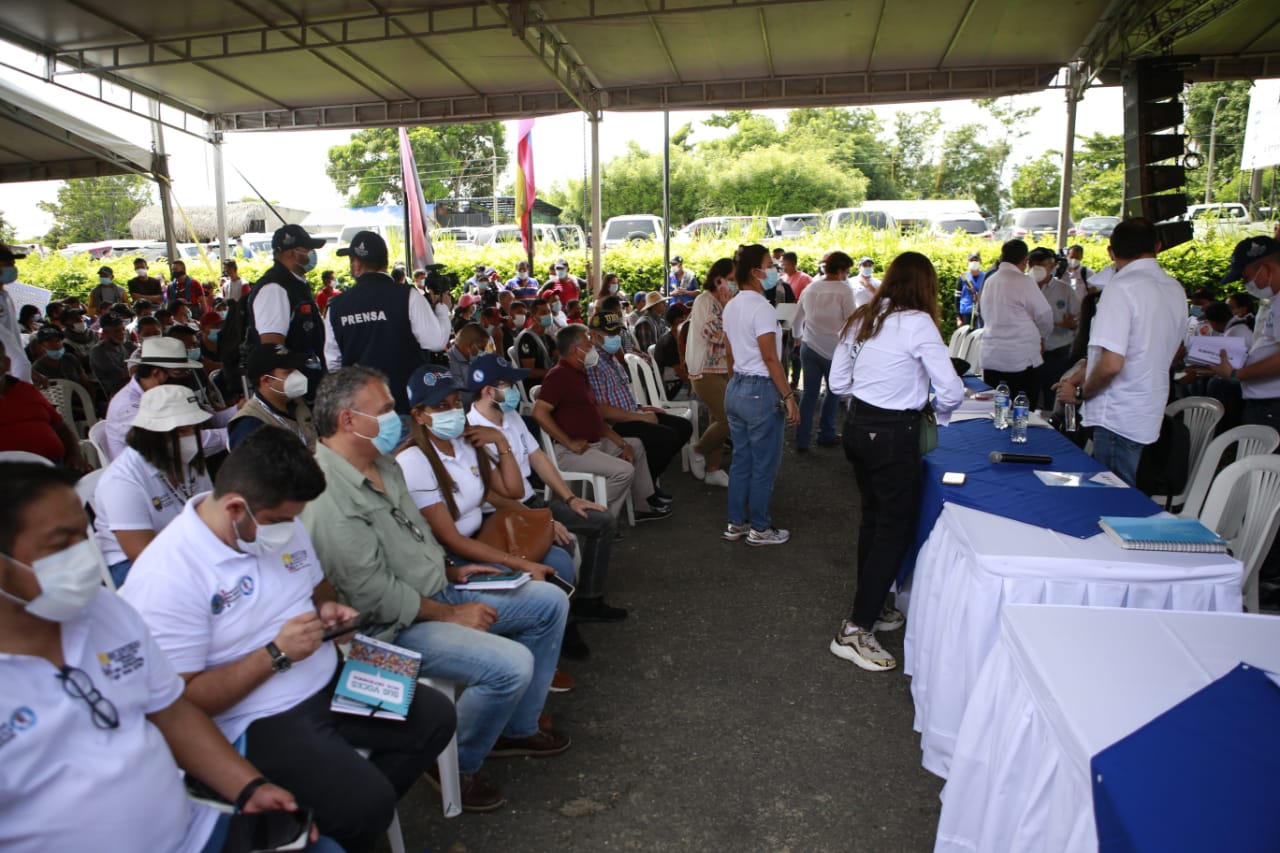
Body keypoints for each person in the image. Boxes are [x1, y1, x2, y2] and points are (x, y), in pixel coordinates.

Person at [122, 428, 456, 851]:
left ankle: (319, 820)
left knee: (437, 717)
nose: (292, 528)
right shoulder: (167, 576)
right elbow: (181, 703)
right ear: (236, 508)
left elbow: (319, 588)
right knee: (369, 805)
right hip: (259, 717)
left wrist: (330, 613)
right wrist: (276, 654)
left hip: (331, 672)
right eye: (281, 520)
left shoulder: (279, 522)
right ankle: (334, 821)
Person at [0, 462, 320, 853]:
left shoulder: (104, 610)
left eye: (82, 535)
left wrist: (248, 787)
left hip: (195, 831)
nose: (83, 555)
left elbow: (170, 711)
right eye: (59, 544)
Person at [301, 366, 572, 813]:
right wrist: (449, 614)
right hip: (388, 628)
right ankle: (453, 760)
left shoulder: (381, 463)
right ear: (349, 420)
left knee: (549, 602)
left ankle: (517, 729)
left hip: (438, 590)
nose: (396, 418)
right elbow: (370, 595)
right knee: (511, 665)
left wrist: (451, 570)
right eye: (385, 410)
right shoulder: (327, 493)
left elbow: (419, 536)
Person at [827, 251, 965, 672]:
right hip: (892, 436)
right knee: (892, 529)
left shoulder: (864, 317)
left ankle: (869, 605)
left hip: (857, 429)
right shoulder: (918, 323)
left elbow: (837, 383)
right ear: (926, 286)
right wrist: (934, 413)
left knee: (874, 521)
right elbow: (952, 390)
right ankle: (855, 628)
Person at [466, 354, 623, 622]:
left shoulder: (511, 416)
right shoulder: (473, 432)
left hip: (532, 504)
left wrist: (570, 497)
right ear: (488, 390)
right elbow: (499, 496)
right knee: (559, 553)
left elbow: (539, 458)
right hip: (503, 515)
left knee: (602, 521)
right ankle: (565, 620)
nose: (514, 391)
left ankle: (590, 599)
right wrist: (544, 522)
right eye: (507, 385)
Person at [395, 366, 577, 590]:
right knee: (542, 590)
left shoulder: (464, 443)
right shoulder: (414, 461)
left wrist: (501, 442)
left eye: (456, 402)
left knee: (560, 560)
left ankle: (567, 620)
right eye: (441, 406)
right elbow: (452, 540)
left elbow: (513, 491)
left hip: (484, 535)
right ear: (419, 415)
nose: (453, 410)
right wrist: (519, 563)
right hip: (452, 558)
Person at [1053, 218, 1186, 487]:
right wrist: (1082, 373)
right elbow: (1169, 351)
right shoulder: (1175, 288)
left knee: (1112, 502)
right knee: (1129, 497)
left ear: (1110, 252)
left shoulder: (1120, 288)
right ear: (1157, 247)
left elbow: (1112, 363)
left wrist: (1080, 393)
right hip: (1147, 411)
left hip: (1117, 415)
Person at [533, 324, 670, 522]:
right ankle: (598, 519)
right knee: (624, 471)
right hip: (571, 451)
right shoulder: (559, 376)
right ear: (575, 350)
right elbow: (539, 412)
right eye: (588, 345)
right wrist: (569, 442)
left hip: (594, 443)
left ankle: (643, 505)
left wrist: (622, 444)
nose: (592, 349)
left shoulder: (580, 373)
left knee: (636, 445)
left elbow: (596, 418)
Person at [92, 385, 211, 586]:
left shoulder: (185, 459)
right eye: (182, 431)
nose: (191, 437)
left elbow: (210, 512)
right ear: (154, 434)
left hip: (184, 549)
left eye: (193, 428)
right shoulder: (122, 481)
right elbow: (142, 555)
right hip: (130, 564)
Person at [323, 230, 451, 415]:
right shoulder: (407, 295)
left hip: (363, 414)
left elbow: (334, 365)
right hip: (408, 406)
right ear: (385, 263)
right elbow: (436, 341)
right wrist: (441, 308)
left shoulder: (336, 307)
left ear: (357, 264)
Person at [720, 244, 798, 546]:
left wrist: (735, 384)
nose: (773, 269)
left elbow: (729, 353)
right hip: (759, 391)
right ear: (755, 272)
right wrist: (788, 395)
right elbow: (770, 358)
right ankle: (761, 528)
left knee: (742, 461)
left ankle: (736, 523)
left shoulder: (732, 305)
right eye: (769, 264)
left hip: (737, 387)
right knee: (764, 464)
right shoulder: (762, 308)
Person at [586, 311, 693, 494]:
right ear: (595, 336)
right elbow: (601, 410)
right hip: (614, 424)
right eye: (609, 334)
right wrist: (638, 416)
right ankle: (644, 488)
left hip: (630, 414)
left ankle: (647, 482)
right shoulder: (593, 364)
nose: (615, 338)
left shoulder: (611, 360)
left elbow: (619, 396)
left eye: (616, 333)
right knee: (666, 437)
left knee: (683, 427)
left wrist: (641, 408)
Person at [1199, 235, 1280, 431]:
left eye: (1246, 277)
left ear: (1267, 269)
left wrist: (1237, 373)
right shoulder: (1272, 301)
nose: (1245, 285)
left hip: (1272, 406)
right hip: (1264, 402)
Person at [242, 224, 329, 391]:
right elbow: (272, 351)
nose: (313, 255)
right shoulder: (274, 289)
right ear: (291, 253)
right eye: (308, 249)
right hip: (291, 390)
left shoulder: (295, 284)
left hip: (308, 383)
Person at [793, 250, 856, 452]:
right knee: (834, 391)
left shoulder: (810, 288)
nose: (847, 274)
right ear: (840, 270)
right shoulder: (843, 290)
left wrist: (797, 338)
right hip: (834, 350)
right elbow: (852, 322)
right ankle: (826, 433)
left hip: (809, 346)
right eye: (847, 270)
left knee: (809, 394)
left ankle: (802, 439)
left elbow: (796, 320)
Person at [979, 238, 1053, 401]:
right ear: (1025, 261)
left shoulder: (990, 281)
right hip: (1020, 358)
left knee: (996, 409)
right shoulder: (1025, 281)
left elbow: (984, 314)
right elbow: (1044, 315)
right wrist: (1043, 336)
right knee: (1023, 410)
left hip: (992, 356)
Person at [0, 340, 88, 469]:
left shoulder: (27, 390)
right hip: (10, 479)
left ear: (7, 364)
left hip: (56, 467)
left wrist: (75, 455)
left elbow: (62, 428)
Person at [685, 258, 734, 487]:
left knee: (718, 418)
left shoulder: (725, 302)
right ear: (718, 279)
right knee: (729, 416)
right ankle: (697, 450)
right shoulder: (705, 300)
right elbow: (713, 333)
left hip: (722, 367)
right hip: (704, 369)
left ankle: (713, 469)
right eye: (731, 279)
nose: (733, 285)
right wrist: (726, 308)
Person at [228, 344, 317, 450]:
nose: (297, 375)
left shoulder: (296, 402)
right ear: (266, 381)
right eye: (288, 372)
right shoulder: (250, 426)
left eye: (295, 369)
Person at [1028, 246, 1081, 408]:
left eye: (1042, 266)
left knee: (1053, 400)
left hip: (1056, 354)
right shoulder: (1022, 287)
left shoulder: (1064, 290)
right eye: (1034, 266)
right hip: (1028, 354)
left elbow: (1077, 319)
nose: (1037, 270)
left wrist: (1071, 325)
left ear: (1052, 267)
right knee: (1028, 398)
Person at [515, 298, 558, 391]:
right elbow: (530, 372)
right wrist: (554, 373)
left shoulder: (547, 336)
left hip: (550, 380)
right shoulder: (526, 338)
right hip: (536, 387)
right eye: (543, 312)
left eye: (549, 311)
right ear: (533, 317)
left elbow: (559, 356)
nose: (548, 314)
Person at [88, 312, 134, 399]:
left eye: (123, 329)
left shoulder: (128, 345)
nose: (122, 333)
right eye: (117, 331)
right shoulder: (98, 352)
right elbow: (123, 375)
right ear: (105, 333)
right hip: (116, 396)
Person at [955, 252, 986, 327]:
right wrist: (958, 318)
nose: (974, 262)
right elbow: (957, 298)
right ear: (968, 262)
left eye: (976, 260)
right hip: (966, 313)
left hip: (982, 312)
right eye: (971, 260)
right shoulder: (963, 277)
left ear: (980, 261)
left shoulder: (985, 277)